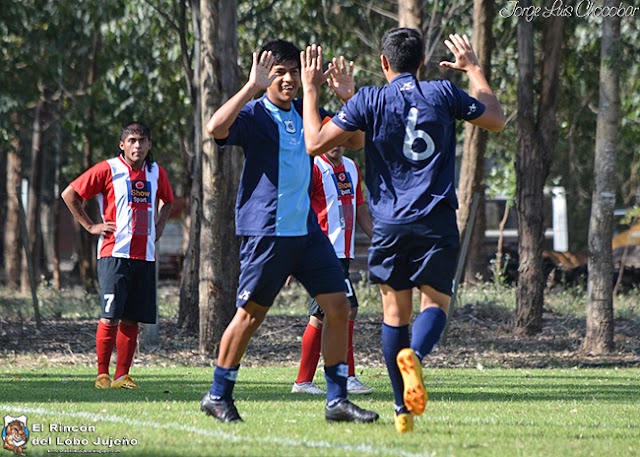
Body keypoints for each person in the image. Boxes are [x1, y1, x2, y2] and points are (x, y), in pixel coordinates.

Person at [300, 29, 505, 433]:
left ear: (383, 62)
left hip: (391, 223)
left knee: (395, 315)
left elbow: (315, 142)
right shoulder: (443, 93)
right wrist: (475, 69)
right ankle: (416, 359)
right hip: (436, 218)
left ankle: (401, 409)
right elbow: (495, 120)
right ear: (422, 62)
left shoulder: (370, 99)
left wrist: (312, 90)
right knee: (435, 308)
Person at [200, 39, 379, 424]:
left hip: (307, 233)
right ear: (267, 77)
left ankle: (337, 400)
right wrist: (250, 85)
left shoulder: (306, 110)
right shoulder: (254, 114)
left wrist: (348, 99)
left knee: (339, 307)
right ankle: (217, 394)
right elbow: (214, 127)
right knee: (250, 316)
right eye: (279, 72)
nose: (288, 79)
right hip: (267, 232)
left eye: (293, 72)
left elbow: (357, 139)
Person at [61, 121, 174, 389]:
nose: (137, 145)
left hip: (145, 256)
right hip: (114, 254)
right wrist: (91, 225)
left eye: (142, 140)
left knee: (132, 317)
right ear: (122, 145)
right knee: (110, 315)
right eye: (132, 140)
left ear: (149, 145)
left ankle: (122, 375)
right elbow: (70, 194)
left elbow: (168, 200)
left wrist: (158, 226)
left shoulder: (156, 172)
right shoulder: (108, 169)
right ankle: (102, 374)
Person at [291, 146, 374, 396]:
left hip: (343, 253)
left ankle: (305, 381)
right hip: (322, 252)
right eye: (330, 140)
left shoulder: (351, 167)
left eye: (340, 139)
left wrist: (379, 239)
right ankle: (343, 376)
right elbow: (298, 208)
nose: (335, 145)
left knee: (324, 316)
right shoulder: (314, 167)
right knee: (344, 310)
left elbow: (359, 208)